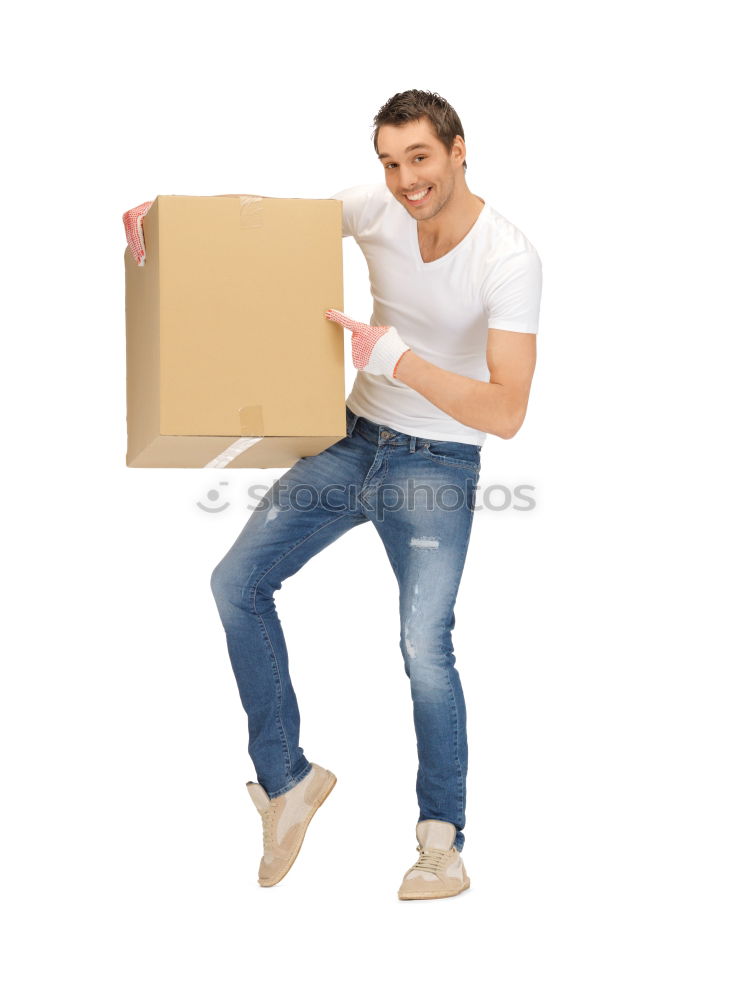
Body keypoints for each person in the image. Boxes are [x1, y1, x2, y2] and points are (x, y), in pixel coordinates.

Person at [209, 89, 542, 900]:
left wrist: (398, 359)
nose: (405, 181)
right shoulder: (376, 206)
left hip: (438, 464)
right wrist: (175, 227)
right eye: (391, 164)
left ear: (459, 149)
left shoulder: (509, 257)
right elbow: (271, 232)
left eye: (420, 159)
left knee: (423, 646)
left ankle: (442, 844)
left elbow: (507, 410)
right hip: (353, 441)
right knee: (236, 584)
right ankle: (288, 783)